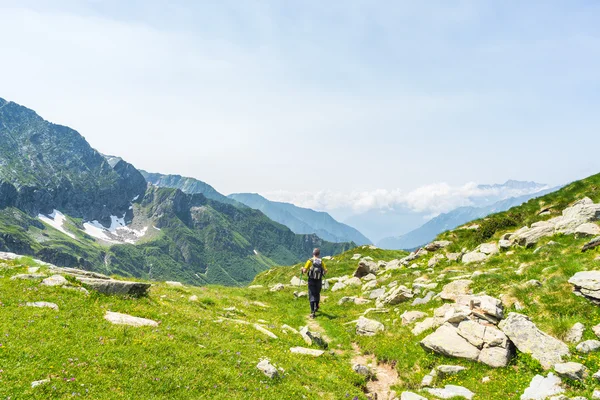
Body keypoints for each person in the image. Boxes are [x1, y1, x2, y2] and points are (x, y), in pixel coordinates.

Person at [301, 248, 327, 319]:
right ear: (319, 254)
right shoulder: (321, 262)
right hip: (319, 280)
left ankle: (312, 312)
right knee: (317, 293)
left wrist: (302, 269)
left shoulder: (310, 261)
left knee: (311, 294)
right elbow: (325, 271)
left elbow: (305, 271)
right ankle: (316, 306)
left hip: (311, 280)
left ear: (313, 253)